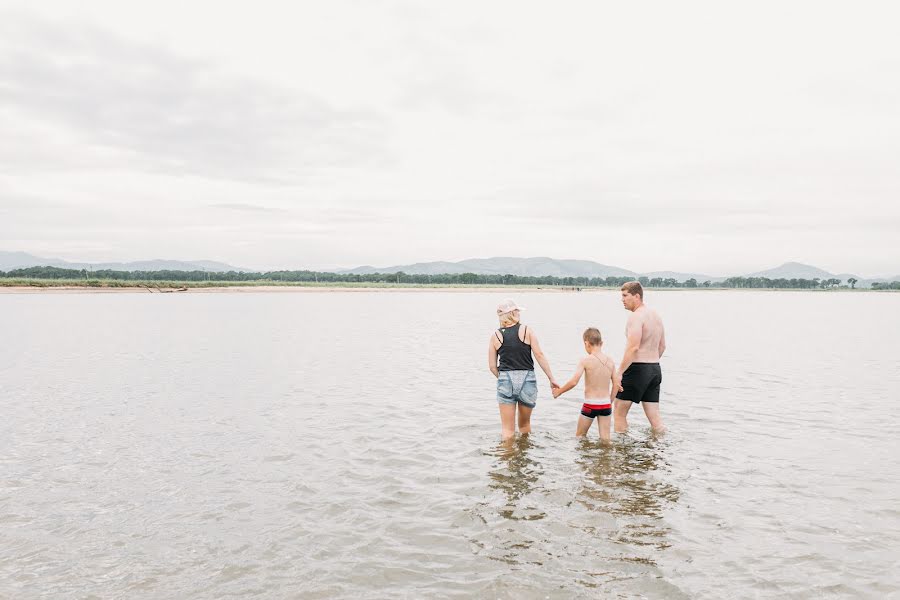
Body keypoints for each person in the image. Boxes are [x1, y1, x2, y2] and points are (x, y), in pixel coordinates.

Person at [488, 299, 558, 441]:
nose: (519, 313)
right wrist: (551, 378)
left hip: (505, 379)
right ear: (512, 313)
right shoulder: (526, 330)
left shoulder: (495, 336)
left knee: (507, 430)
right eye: (517, 311)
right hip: (527, 380)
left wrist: (503, 378)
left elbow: (492, 366)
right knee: (525, 426)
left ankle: (508, 460)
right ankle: (524, 459)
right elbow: (539, 355)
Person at [614, 281, 666, 434]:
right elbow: (662, 346)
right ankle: (659, 451)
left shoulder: (635, 317)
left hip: (637, 368)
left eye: (625, 295)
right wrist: (649, 367)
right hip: (655, 369)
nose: (622, 299)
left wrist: (619, 373)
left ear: (637, 296)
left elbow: (633, 347)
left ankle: (622, 452)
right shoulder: (655, 315)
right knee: (655, 419)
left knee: (619, 412)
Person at [552, 327, 616, 442]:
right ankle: (607, 459)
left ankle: (584, 459)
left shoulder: (585, 360)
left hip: (590, 405)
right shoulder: (610, 361)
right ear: (601, 343)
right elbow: (616, 384)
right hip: (606, 405)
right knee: (606, 440)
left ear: (586, 343)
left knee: (580, 437)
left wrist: (559, 392)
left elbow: (574, 382)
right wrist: (609, 402)